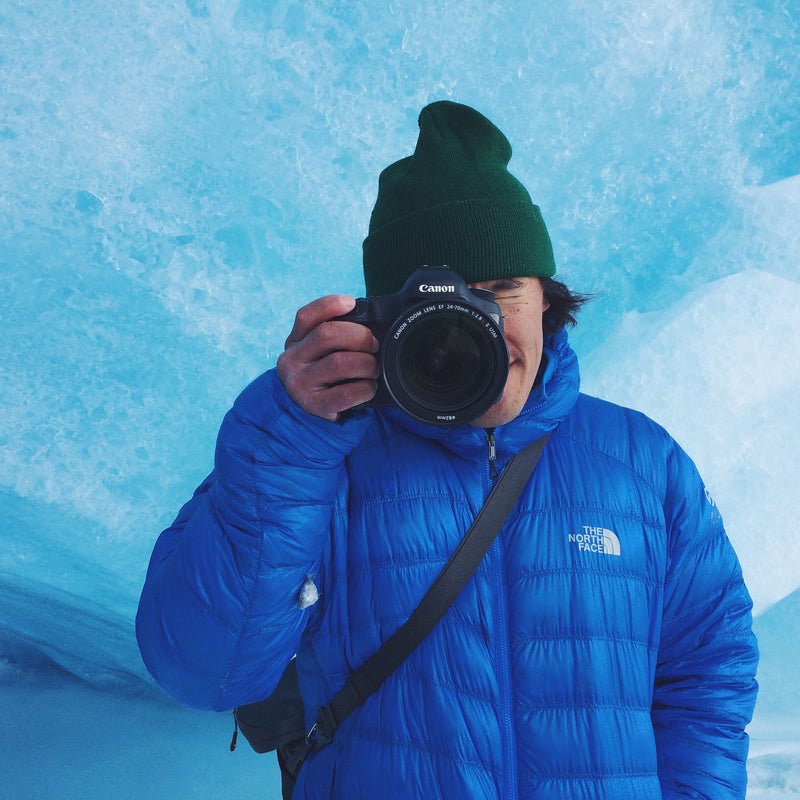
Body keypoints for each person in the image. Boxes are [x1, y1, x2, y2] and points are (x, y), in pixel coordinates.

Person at [136, 100, 759, 799]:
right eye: (444, 306)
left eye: (501, 290)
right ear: (383, 320)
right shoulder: (311, 459)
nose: (477, 331)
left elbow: (709, 671)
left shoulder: (644, 463)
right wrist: (288, 436)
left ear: (547, 299)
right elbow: (203, 670)